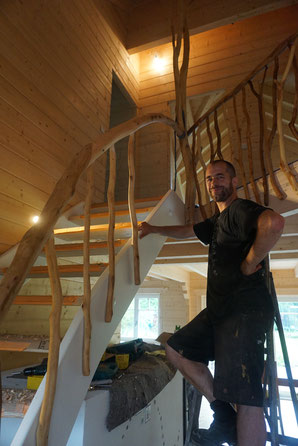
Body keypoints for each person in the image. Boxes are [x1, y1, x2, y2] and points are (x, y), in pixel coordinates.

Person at [138, 160, 284, 446]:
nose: (214, 182)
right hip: (220, 312)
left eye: (220, 177)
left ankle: (233, 419)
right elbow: (188, 230)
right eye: (209, 179)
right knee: (176, 349)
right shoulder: (218, 220)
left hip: (245, 313)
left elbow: (274, 223)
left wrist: (250, 262)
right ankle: (222, 413)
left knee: (247, 399)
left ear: (234, 181)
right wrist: (154, 229)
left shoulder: (240, 210)